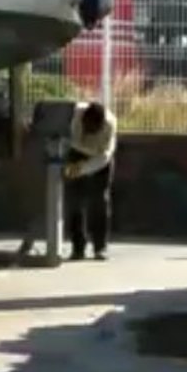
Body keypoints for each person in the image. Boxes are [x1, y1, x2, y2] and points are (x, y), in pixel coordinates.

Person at [64, 101, 117, 261]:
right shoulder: (77, 114)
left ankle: (100, 247)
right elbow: (73, 142)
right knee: (75, 201)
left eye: (91, 129)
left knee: (99, 201)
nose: (88, 131)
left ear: (100, 126)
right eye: (86, 127)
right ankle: (78, 248)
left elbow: (104, 157)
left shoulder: (110, 124)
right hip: (77, 153)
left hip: (101, 158)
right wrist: (71, 169)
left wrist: (81, 170)